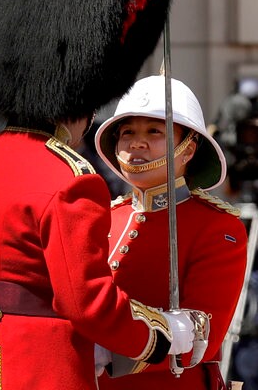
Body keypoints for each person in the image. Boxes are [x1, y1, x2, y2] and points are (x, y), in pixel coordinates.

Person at [0, 0, 205, 390]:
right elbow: (86, 302)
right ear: (90, 88)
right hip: (45, 370)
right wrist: (165, 334)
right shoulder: (69, 179)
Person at [95, 75, 248, 390]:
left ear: (188, 150)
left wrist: (109, 351)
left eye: (154, 131)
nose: (137, 142)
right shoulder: (101, 217)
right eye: (127, 132)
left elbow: (202, 334)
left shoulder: (218, 227)